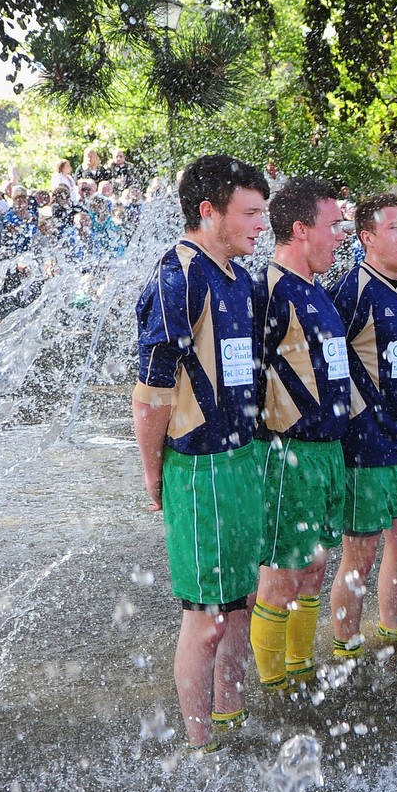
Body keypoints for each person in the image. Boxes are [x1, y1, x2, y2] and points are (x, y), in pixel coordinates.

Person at [132, 154, 270, 753]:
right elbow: (150, 391)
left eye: (264, 213)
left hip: (241, 460)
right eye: (250, 213)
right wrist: (153, 473)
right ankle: (199, 745)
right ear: (208, 211)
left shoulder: (237, 277)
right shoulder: (179, 276)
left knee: (239, 605)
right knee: (205, 617)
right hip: (199, 467)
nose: (261, 225)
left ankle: (233, 719)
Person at [251, 177, 351, 692]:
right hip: (287, 453)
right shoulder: (267, 291)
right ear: (299, 229)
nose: (342, 235)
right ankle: (273, 691)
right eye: (333, 226)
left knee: (314, 568)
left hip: (328, 451)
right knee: (282, 573)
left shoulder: (319, 291)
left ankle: (300, 669)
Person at [327, 194, 397, 657]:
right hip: (365, 446)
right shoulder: (352, 289)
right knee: (359, 555)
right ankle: (346, 646)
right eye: (396, 227)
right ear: (366, 237)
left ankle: (395, 632)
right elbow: (324, 362)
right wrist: (355, 418)